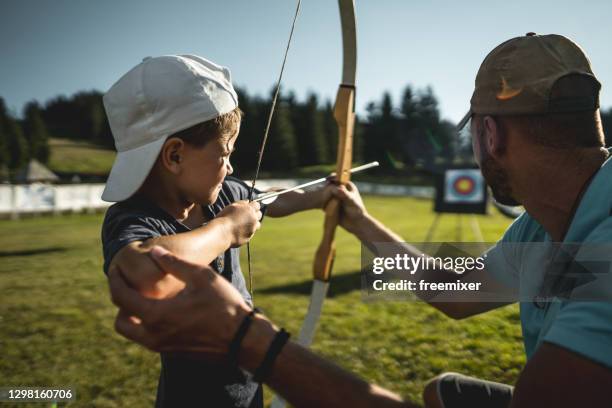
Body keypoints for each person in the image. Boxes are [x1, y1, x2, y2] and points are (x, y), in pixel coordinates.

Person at [108, 34, 612, 407]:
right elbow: (456, 291)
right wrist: (361, 223)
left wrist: (247, 337)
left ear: (489, 136)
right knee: (445, 394)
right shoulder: (547, 225)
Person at [100, 54, 336, 408]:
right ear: (175, 156)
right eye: (224, 153)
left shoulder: (220, 192)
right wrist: (225, 229)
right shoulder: (134, 218)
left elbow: (274, 200)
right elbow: (145, 272)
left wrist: (323, 195)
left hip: (248, 384)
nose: (229, 167)